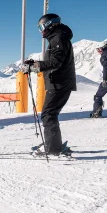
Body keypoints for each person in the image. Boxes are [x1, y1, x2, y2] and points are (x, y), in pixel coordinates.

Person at [20, 13, 76, 156]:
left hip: (59, 83)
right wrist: (34, 64)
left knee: (48, 115)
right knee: (50, 114)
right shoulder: (58, 38)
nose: (41, 31)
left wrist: (34, 67)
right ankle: (53, 145)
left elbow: (56, 62)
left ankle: (53, 149)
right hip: (58, 82)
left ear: (50, 25)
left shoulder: (59, 38)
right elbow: (54, 60)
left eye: (41, 27)